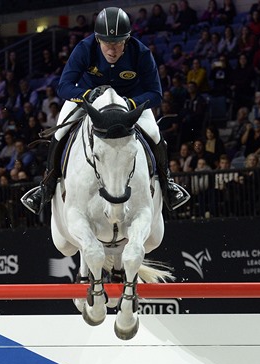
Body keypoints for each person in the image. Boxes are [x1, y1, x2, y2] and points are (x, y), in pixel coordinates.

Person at [21, 7, 190, 215]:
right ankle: (45, 187)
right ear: (98, 39)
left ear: (126, 40)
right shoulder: (84, 48)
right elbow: (64, 86)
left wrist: (130, 103)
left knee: (155, 134)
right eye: (107, 43)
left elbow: (155, 93)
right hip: (89, 101)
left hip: (129, 103)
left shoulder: (141, 52)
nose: (112, 50)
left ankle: (167, 185)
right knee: (60, 132)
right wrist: (87, 95)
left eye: (118, 42)